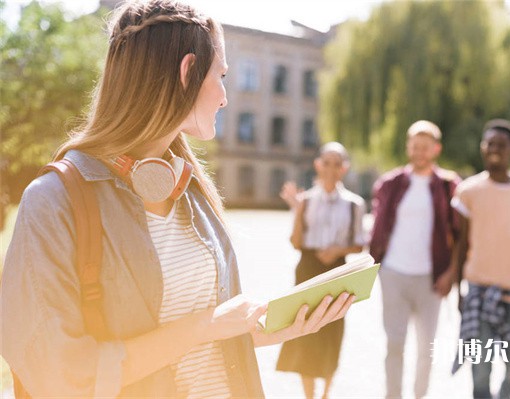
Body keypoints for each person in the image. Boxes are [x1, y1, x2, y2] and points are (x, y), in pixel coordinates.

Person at [0, 1, 355, 397]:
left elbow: (198, 341)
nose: (224, 97)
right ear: (187, 72)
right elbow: (58, 375)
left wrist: (268, 327)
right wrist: (203, 325)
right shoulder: (52, 203)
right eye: (221, 75)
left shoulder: (193, 189)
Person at [448, 119, 510, 398]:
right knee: (480, 369)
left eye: (501, 145)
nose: (494, 149)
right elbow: (461, 242)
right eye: (489, 143)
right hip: (478, 293)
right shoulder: (468, 191)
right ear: (482, 148)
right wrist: (458, 290)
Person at [369, 120, 461, 399]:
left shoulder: (449, 185)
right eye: (414, 146)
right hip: (394, 275)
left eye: (425, 147)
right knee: (394, 344)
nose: (419, 152)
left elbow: (459, 236)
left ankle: (420, 395)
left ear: (436, 149)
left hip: (431, 279)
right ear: (408, 146)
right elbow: (377, 229)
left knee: (427, 347)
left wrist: (451, 275)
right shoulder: (390, 184)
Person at [276, 142, 368, 399]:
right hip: (307, 267)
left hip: (338, 268)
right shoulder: (305, 201)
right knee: (304, 327)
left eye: (336, 164)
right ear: (318, 165)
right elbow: (295, 242)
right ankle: (309, 396)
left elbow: (360, 244)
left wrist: (338, 251)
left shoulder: (354, 204)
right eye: (326, 162)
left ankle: (326, 393)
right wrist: (298, 211)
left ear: (344, 169)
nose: (330, 169)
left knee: (332, 330)